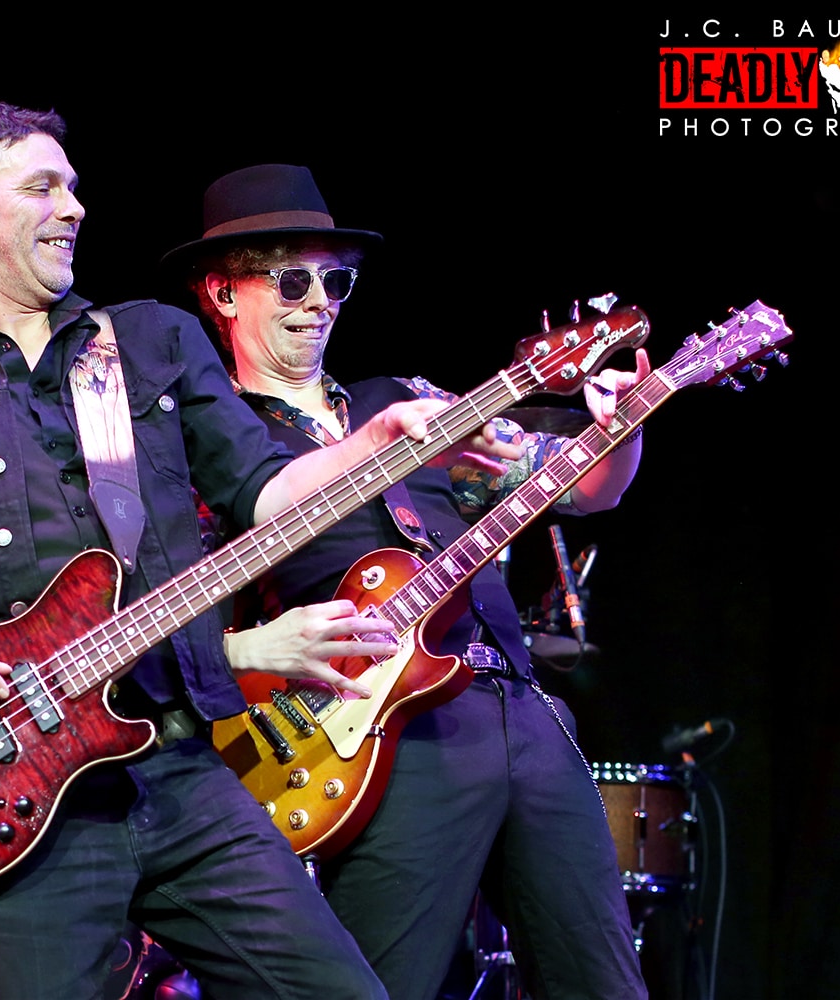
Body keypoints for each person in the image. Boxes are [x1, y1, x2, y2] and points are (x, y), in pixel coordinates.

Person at [0, 105, 515, 1000]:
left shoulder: (150, 342)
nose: (73, 207)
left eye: (75, 187)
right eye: (42, 188)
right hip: (16, 796)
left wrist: (373, 446)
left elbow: (267, 496)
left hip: (181, 765)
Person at [161, 163, 653, 1000]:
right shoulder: (213, 445)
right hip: (381, 735)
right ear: (223, 292)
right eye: (292, 281)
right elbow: (176, 610)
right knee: (382, 985)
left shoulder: (409, 399)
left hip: (520, 707)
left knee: (605, 982)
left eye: (336, 282)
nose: (320, 303)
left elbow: (583, 489)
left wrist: (624, 425)